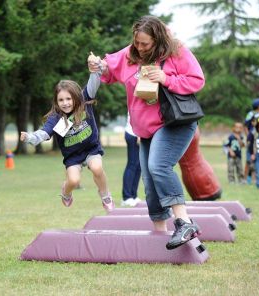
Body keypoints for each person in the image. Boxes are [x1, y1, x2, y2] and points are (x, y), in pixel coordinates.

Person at [88, 15, 204, 250]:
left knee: (158, 166)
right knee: (150, 182)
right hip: (146, 128)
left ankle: (184, 222)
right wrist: (97, 66)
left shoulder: (176, 50)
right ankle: (160, 236)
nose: (139, 48)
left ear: (158, 39)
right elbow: (109, 71)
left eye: (145, 44)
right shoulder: (131, 53)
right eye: (137, 42)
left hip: (174, 123)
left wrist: (166, 78)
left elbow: (196, 80)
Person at [20, 75, 115, 212]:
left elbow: (94, 83)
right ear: (56, 101)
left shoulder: (84, 101)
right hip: (72, 156)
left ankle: (105, 194)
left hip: (91, 149)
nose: (65, 103)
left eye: (68, 99)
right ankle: (66, 191)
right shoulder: (56, 118)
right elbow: (44, 133)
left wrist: (95, 69)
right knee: (74, 181)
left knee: (97, 168)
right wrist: (30, 137)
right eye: (61, 100)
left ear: (76, 97)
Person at [121, 113, 141, 207]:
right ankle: (126, 197)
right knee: (132, 165)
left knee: (139, 166)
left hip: (138, 133)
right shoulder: (136, 97)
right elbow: (136, 114)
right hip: (133, 134)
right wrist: (139, 134)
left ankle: (133, 195)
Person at [244, 98, 259, 184]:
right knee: (249, 160)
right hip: (252, 140)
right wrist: (248, 138)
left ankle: (255, 178)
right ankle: (245, 179)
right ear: (258, 107)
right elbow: (246, 126)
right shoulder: (251, 114)